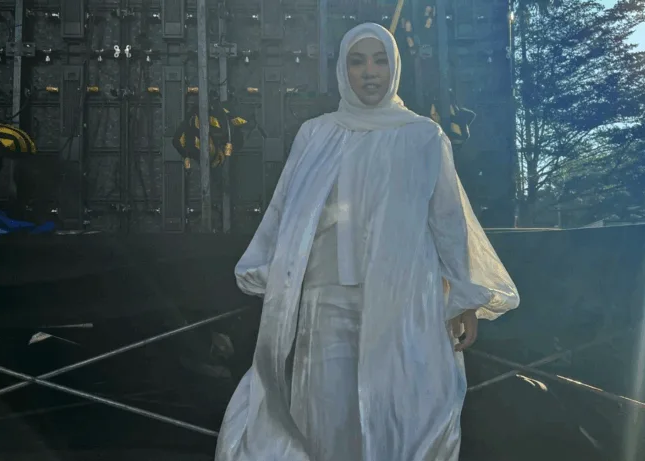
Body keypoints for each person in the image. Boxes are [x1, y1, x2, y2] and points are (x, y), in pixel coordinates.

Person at [215, 22, 519, 461]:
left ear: (395, 67)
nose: (370, 72)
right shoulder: (317, 134)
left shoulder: (422, 136)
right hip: (326, 301)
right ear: (343, 70)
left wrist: (464, 298)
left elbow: (448, 222)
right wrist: (271, 274)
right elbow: (286, 208)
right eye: (358, 62)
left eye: (380, 61)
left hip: (403, 301)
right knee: (327, 413)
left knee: (403, 407)